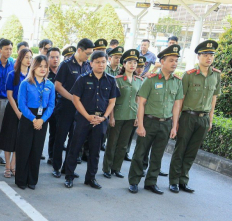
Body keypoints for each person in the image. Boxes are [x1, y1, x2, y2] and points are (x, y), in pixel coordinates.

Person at [127, 44, 184, 194]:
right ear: (162, 62)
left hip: (166, 123)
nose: (174, 63)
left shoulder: (177, 81)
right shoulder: (151, 80)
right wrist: (140, 125)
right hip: (149, 122)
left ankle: (151, 182)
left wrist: (174, 126)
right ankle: (134, 181)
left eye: (176, 61)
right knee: (140, 153)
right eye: (171, 60)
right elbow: (141, 103)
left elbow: (177, 105)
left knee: (158, 155)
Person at [168, 40, 221, 193]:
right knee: (180, 149)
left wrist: (210, 119)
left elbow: (214, 98)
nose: (209, 58)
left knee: (192, 151)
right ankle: (174, 181)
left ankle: (183, 180)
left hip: (203, 118)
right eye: (205, 55)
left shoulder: (216, 75)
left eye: (211, 55)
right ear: (198, 57)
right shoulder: (189, 75)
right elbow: (180, 99)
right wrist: (176, 121)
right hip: (188, 117)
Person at [62, 50, 119, 189]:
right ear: (91, 63)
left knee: (95, 151)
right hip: (83, 118)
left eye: (103, 62)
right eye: (97, 62)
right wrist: (87, 116)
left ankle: (90, 178)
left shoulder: (111, 80)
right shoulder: (82, 78)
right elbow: (75, 99)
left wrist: (104, 117)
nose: (101, 65)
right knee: (75, 148)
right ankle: (69, 176)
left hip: (101, 120)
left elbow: (112, 101)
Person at [51, 38, 93, 178]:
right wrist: (73, 99)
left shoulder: (87, 66)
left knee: (74, 140)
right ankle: (56, 167)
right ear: (79, 50)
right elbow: (58, 86)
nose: (88, 57)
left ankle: (67, 168)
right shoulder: (66, 65)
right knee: (60, 138)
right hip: (65, 107)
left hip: (79, 109)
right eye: (87, 53)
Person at [14, 55, 55, 189]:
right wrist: (33, 119)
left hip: (42, 120)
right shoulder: (25, 83)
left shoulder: (50, 85)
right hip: (28, 118)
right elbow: (21, 104)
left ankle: (32, 180)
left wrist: (42, 120)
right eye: (39, 66)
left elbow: (51, 106)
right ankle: (21, 180)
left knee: (37, 150)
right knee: (24, 149)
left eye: (45, 66)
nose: (43, 69)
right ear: (33, 67)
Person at [102, 49, 142, 179]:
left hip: (130, 115)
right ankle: (107, 168)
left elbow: (138, 99)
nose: (132, 65)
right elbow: (112, 100)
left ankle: (116, 168)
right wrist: (111, 117)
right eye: (129, 62)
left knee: (123, 144)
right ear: (124, 64)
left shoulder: (138, 80)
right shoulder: (117, 80)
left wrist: (137, 117)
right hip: (118, 115)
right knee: (112, 143)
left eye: (135, 63)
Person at [0, 48, 32, 178]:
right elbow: (10, 95)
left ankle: (13, 165)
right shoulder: (12, 74)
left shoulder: (32, 75)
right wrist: (17, 111)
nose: (29, 60)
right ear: (20, 58)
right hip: (13, 108)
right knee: (9, 137)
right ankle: (7, 166)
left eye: (30, 57)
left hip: (27, 108)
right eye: (26, 57)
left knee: (20, 138)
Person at [45, 47, 62, 164]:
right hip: (45, 108)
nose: (55, 59)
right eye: (52, 57)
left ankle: (52, 156)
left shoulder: (62, 71)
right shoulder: (44, 72)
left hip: (59, 107)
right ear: (48, 58)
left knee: (55, 133)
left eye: (57, 57)